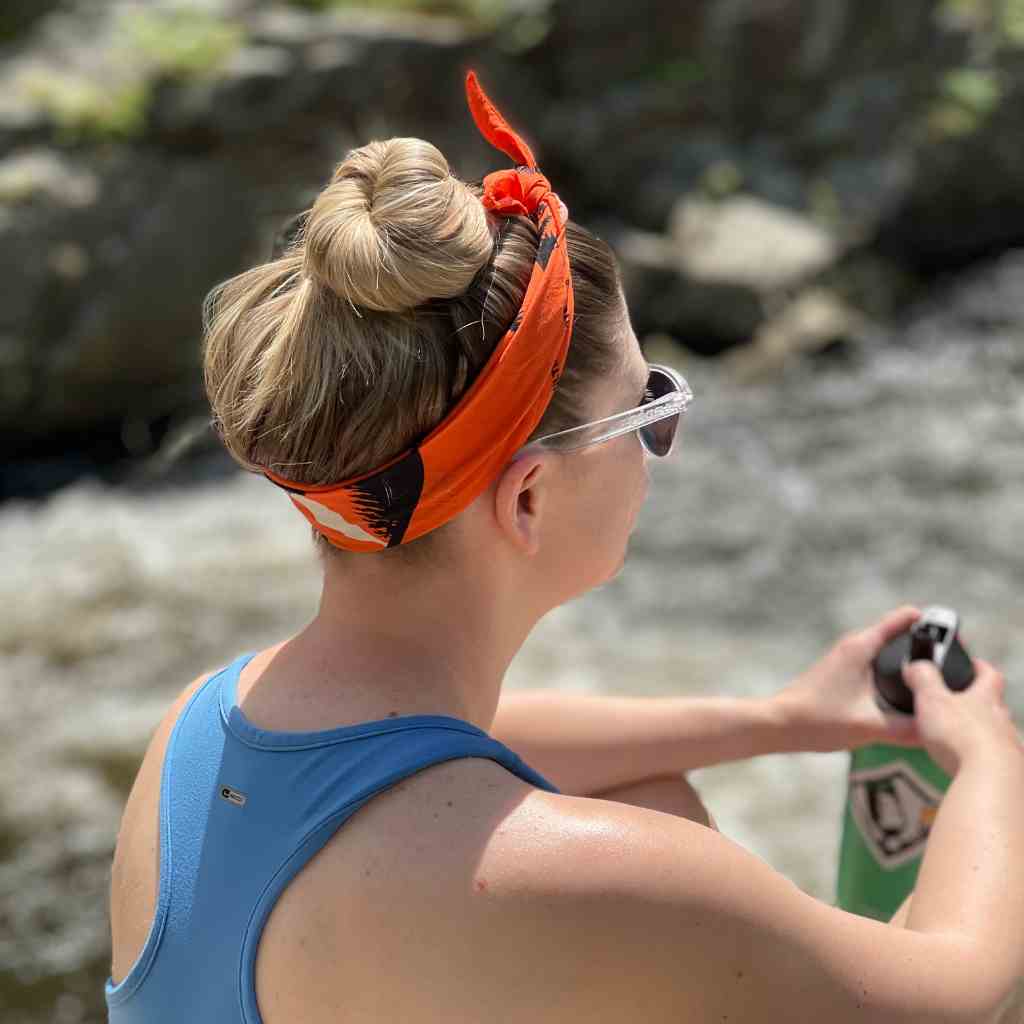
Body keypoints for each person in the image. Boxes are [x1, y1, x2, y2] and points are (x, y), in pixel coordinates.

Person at [105, 71, 1024, 1023]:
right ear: (530, 497)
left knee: (651, 789)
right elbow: (954, 994)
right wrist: (993, 760)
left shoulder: (197, 728)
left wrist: (782, 717)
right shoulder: (592, 877)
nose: (657, 444)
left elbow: (471, 742)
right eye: (646, 408)